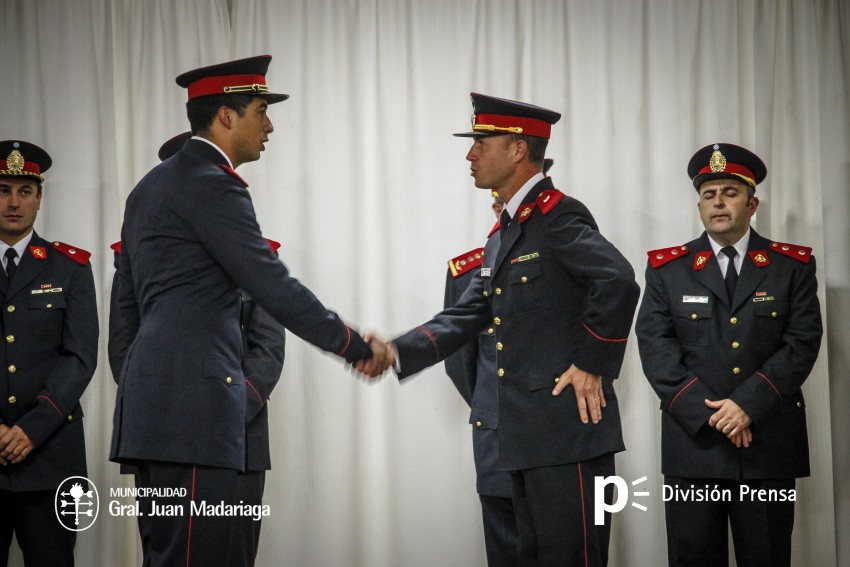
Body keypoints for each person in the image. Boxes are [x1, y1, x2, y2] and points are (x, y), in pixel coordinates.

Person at [109, 55, 389, 566]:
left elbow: (128, 307)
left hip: (153, 416)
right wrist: (353, 345)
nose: (270, 125)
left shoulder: (147, 188)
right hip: (197, 417)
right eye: (261, 111)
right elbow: (271, 285)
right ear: (226, 116)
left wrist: (144, 384)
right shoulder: (211, 182)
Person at [392, 93, 640, 566]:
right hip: (523, 439)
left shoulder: (557, 216)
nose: (470, 155)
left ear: (518, 149)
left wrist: (591, 364)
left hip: (567, 435)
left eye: (481, 143)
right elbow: (472, 311)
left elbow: (619, 280)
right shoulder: (505, 232)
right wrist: (398, 350)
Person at [635, 143, 823, 567]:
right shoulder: (668, 269)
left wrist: (747, 406)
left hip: (768, 446)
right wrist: (715, 416)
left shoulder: (791, 266)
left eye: (730, 192)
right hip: (694, 447)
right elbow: (655, 347)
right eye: (709, 194)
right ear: (699, 207)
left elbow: (802, 342)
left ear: (752, 204)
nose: (718, 202)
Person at [108, 132, 286, 566]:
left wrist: (224, 406)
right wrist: (165, 404)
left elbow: (267, 349)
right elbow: (125, 345)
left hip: (237, 437)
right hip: (161, 434)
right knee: (166, 554)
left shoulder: (255, 257)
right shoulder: (140, 260)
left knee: (233, 555)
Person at [441, 158, 553, 566]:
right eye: (504, 205)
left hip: (558, 439)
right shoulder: (467, 274)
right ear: (495, 208)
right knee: (506, 550)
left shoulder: (565, 259)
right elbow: (460, 363)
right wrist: (494, 406)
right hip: (498, 439)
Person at [0, 140, 99, 566]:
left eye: (24, 191)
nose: (14, 203)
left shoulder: (69, 267)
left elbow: (80, 356)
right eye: (3, 190)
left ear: (39, 197)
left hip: (51, 457)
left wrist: (31, 429)